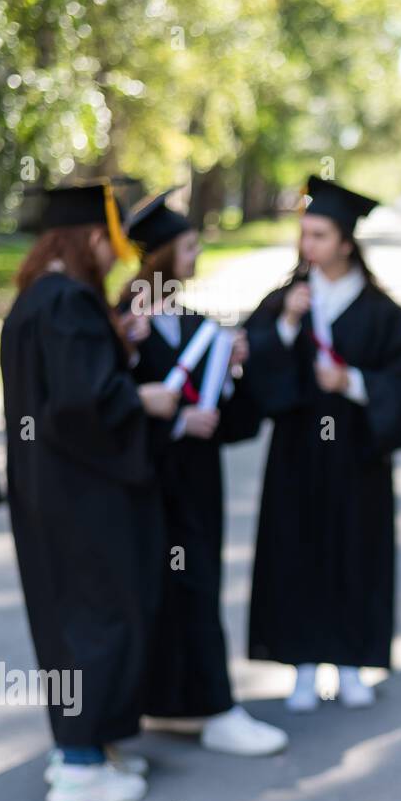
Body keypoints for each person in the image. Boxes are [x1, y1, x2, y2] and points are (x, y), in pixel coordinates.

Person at [0, 180, 179, 801]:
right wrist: (143, 398)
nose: (113, 262)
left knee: (68, 618)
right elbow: (83, 407)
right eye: (110, 247)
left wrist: (117, 347)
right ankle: (80, 766)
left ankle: (84, 744)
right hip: (83, 496)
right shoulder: (70, 305)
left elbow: (58, 396)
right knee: (99, 618)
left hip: (48, 493)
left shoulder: (33, 302)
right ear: (91, 239)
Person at [118, 190, 287, 756]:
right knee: (156, 590)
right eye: (189, 246)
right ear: (162, 253)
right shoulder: (124, 323)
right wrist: (172, 424)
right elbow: (108, 408)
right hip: (144, 481)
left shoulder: (196, 325)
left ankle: (207, 703)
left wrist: (235, 372)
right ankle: (172, 704)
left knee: (199, 587)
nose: (196, 255)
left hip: (196, 483)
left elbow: (231, 422)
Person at [242, 176, 401, 711]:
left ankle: (350, 661)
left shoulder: (382, 310)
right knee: (297, 548)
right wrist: (289, 327)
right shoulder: (286, 302)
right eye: (304, 235)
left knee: (354, 549)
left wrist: (355, 384)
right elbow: (254, 367)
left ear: (346, 241)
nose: (308, 246)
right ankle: (301, 664)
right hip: (298, 452)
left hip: (357, 456)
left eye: (319, 235)